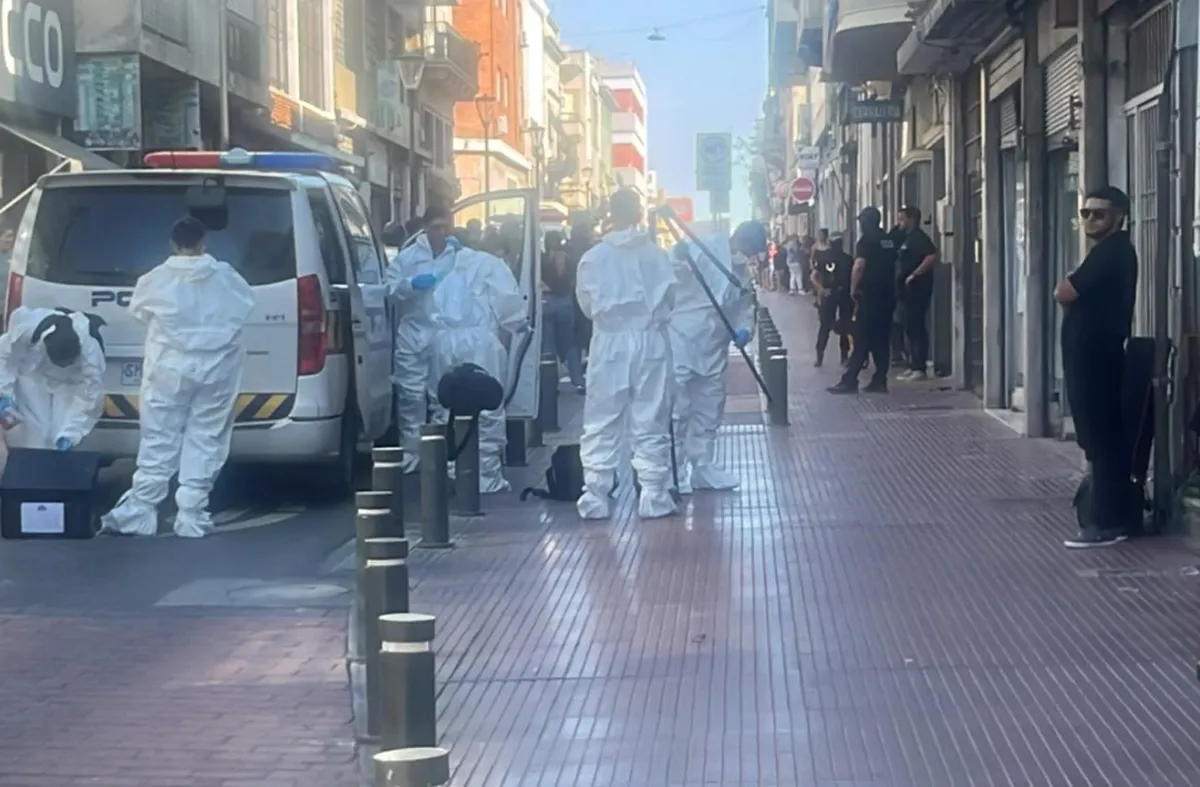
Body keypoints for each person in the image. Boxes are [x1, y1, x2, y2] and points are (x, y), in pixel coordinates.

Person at [101, 217, 255, 538]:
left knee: (159, 436)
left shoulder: (155, 279)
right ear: (203, 242)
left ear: (172, 243)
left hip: (168, 368)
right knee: (207, 436)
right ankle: (191, 514)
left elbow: (139, 312)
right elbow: (245, 307)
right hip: (218, 369)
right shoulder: (226, 277)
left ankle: (142, 509)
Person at [575, 189, 677, 520]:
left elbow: (586, 304)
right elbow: (670, 300)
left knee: (601, 418)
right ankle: (653, 494)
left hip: (609, 342)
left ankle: (595, 495)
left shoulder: (593, 258)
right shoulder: (657, 255)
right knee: (651, 416)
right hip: (650, 341)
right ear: (638, 214)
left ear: (611, 213)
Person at [1056, 186, 1140, 548]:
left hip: (1098, 358)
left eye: (1099, 214)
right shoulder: (1104, 252)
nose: (1090, 220)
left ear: (1119, 216)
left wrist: (1068, 290)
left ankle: (1106, 522)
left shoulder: (1112, 252)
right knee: (1096, 435)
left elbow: (1065, 291)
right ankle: (1107, 515)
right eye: (1085, 213)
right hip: (1089, 356)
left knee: (1102, 435)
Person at [427, 239, 528, 493]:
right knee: (486, 408)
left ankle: (452, 470)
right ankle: (485, 476)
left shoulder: (440, 265)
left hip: (443, 340)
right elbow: (508, 303)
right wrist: (518, 325)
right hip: (480, 341)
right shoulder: (491, 264)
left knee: (445, 405)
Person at [668, 234, 755, 493]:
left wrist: (745, 329)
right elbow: (671, 276)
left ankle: (703, 466)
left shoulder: (742, 272)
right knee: (678, 409)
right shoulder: (701, 251)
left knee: (709, 407)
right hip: (682, 340)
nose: (747, 255)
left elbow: (745, 305)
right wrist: (678, 258)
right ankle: (674, 470)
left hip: (715, 345)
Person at [386, 204, 460, 472]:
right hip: (414, 332)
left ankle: (441, 455)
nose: (441, 232)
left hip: (444, 333)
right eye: (436, 227)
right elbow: (389, 288)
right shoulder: (408, 257)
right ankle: (412, 454)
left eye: (445, 227)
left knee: (444, 397)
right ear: (425, 228)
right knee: (411, 396)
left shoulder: (458, 256)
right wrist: (411, 285)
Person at [0, 307, 106, 477]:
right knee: (34, 434)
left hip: (70, 385)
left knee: (58, 434)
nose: (63, 365)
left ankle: (55, 478)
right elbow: (3, 358)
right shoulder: (28, 331)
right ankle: (31, 478)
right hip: (33, 377)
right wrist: (3, 392)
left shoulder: (90, 350)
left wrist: (71, 433)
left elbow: (90, 398)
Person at [828, 206, 899, 395]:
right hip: (888, 296)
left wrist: (853, 290)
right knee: (881, 339)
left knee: (862, 338)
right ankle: (880, 379)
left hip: (869, 296)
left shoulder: (866, 241)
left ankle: (850, 380)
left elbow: (859, 266)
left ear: (865, 223)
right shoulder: (888, 240)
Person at [893, 206, 939, 381]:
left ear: (911, 219)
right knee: (909, 327)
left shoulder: (919, 238)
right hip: (907, 291)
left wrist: (914, 274)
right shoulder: (907, 238)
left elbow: (931, 256)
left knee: (916, 326)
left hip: (917, 290)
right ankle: (914, 365)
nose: (899, 223)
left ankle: (920, 367)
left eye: (902, 219)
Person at [542, 230, 585, 393]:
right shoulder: (569, 260)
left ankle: (550, 384)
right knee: (570, 344)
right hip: (565, 303)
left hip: (546, 302)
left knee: (548, 347)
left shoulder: (541, 260)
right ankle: (577, 379)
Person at [810, 233, 853, 367]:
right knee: (844, 325)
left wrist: (821, 289)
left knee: (825, 326)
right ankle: (843, 356)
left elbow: (813, 277)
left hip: (830, 293)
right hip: (843, 294)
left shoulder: (823, 257)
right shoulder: (848, 259)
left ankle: (820, 356)